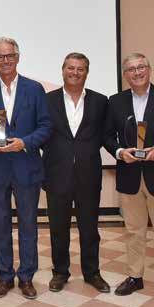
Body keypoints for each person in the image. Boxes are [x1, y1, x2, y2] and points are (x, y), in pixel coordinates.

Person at [0, 37, 52, 299]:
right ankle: (5, 276)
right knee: (0, 225)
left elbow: (45, 126)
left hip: (27, 167)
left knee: (28, 224)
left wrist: (24, 142)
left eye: (9, 56)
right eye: (0, 56)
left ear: (18, 57)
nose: (5, 61)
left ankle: (27, 276)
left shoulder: (35, 89)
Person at [103, 53, 154, 307]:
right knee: (133, 231)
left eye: (141, 67)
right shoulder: (115, 101)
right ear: (125, 74)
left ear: (149, 69)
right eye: (131, 69)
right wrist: (119, 152)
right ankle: (135, 277)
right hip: (129, 176)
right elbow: (106, 136)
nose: (136, 72)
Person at [42, 52, 110, 294]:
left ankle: (92, 273)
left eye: (80, 69)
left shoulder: (101, 101)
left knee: (89, 229)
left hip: (88, 174)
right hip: (56, 174)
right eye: (70, 68)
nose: (75, 72)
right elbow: (41, 133)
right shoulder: (47, 100)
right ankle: (60, 272)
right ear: (63, 70)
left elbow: (104, 135)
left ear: (86, 73)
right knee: (58, 228)